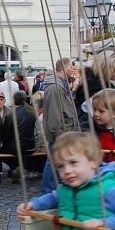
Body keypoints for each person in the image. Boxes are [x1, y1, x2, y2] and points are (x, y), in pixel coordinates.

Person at [41, 58, 79, 194]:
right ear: (64, 68)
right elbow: (54, 115)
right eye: (71, 67)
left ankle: (52, 194)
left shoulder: (61, 85)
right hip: (60, 135)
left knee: (55, 166)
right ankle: (47, 195)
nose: (73, 70)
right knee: (53, 167)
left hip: (63, 134)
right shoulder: (55, 87)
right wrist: (60, 136)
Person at [1, 90, 37, 183]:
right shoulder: (31, 114)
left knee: (0, 151)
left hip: (15, 147)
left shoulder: (10, 115)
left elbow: (5, 134)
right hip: (30, 146)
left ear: (13, 100)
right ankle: (18, 168)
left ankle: (14, 167)